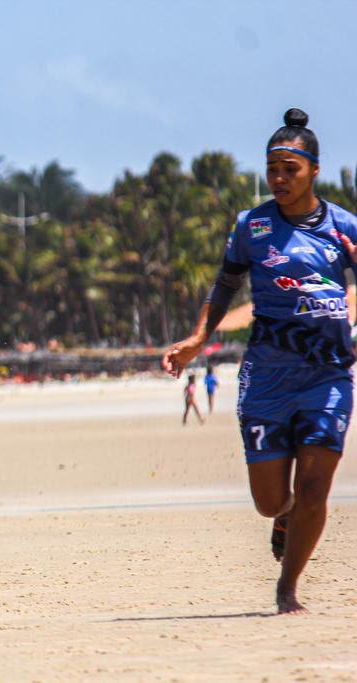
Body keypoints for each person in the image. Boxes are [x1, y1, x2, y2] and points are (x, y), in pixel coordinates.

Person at [162, 109, 357, 614]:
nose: (279, 178)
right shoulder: (252, 226)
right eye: (273, 169)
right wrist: (197, 338)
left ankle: (287, 587)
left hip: (329, 374)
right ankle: (282, 515)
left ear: (314, 170)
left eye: (290, 169)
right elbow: (226, 284)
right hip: (268, 377)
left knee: (315, 488)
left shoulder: (344, 228)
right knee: (272, 500)